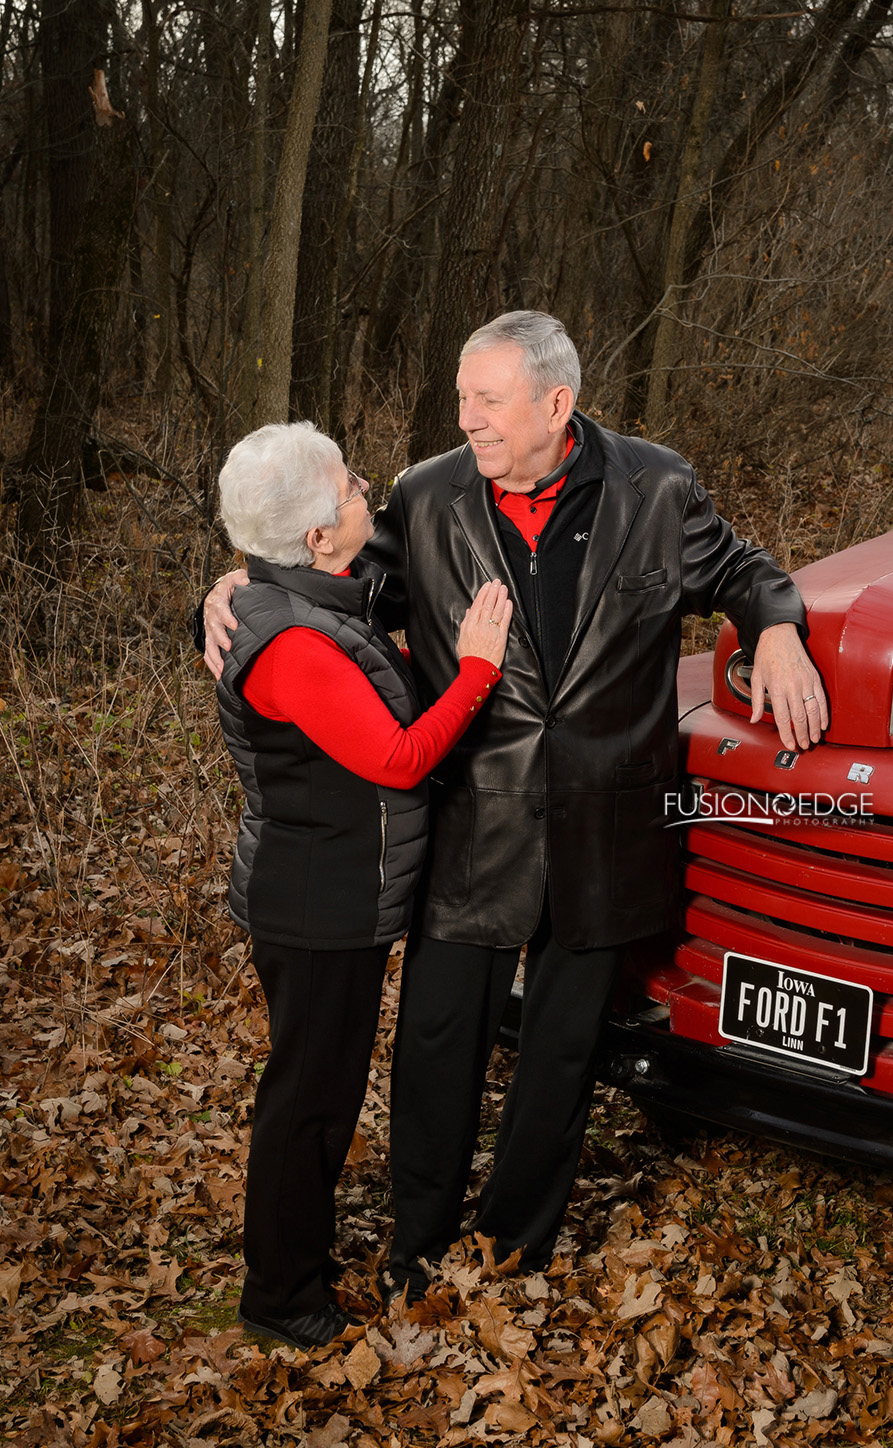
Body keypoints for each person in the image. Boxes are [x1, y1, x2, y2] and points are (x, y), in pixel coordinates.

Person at [201, 313, 826, 1303]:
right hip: (473, 826)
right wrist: (237, 585)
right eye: (463, 398)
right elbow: (331, 589)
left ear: (556, 404)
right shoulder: (430, 495)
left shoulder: (657, 490)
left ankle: (516, 1245)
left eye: (487, 401)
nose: (468, 420)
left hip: (603, 831)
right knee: (439, 1048)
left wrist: (778, 627)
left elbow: (747, 573)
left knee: (561, 1057)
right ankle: (419, 1246)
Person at [212, 420, 512, 1347]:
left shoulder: (314, 595)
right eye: (351, 491)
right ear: (315, 537)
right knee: (309, 1103)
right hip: (316, 907)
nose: (367, 499)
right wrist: (477, 671)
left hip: (332, 893)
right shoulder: (296, 645)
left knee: (315, 1092)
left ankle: (294, 1261)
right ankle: (281, 1296)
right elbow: (397, 757)